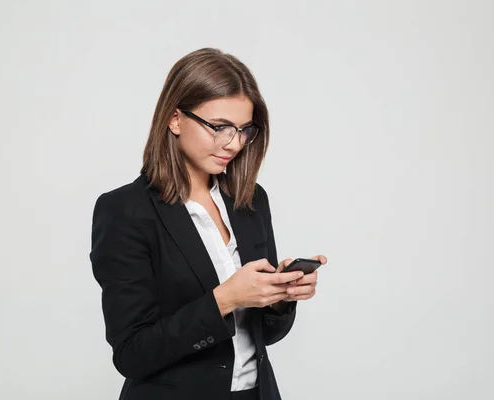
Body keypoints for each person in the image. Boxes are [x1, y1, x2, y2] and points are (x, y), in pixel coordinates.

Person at [90, 48, 327, 400]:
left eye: (244, 129)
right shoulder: (125, 210)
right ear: (175, 120)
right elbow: (132, 353)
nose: (233, 143)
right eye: (219, 127)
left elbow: (264, 336)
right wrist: (224, 299)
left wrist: (280, 297)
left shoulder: (250, 201)